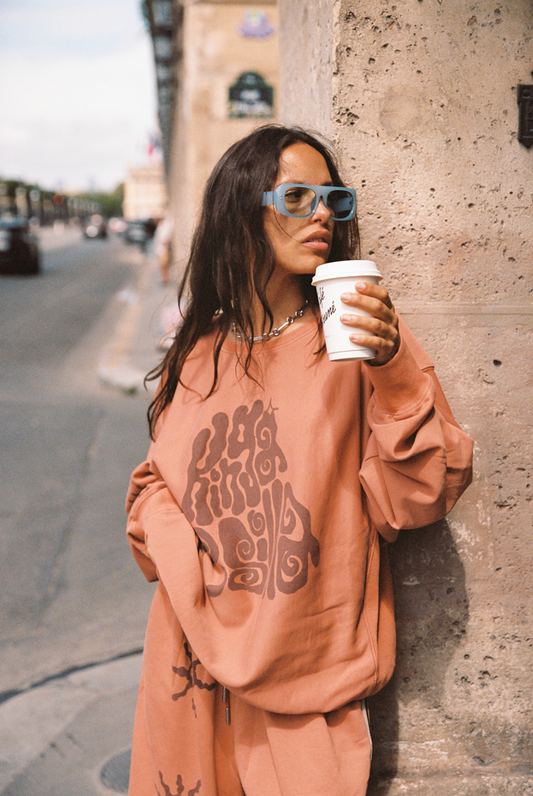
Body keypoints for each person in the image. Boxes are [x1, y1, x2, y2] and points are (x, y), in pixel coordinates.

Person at [125, 125, 473, 796]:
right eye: (295, 197)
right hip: (189, 669)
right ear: (241, 208)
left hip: (309, 682)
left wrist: (392, 365)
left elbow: (421, 493)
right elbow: (150, 492)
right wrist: (176, 546)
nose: (321, 214)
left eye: (332, 199)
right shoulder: (196, 353)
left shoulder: (357, 342)